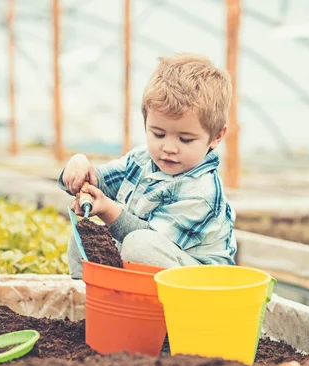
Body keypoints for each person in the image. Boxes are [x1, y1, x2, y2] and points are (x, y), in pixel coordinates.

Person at [59, 53, 237, 279]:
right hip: (149, 272)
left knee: (139, 244)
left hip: (199, 287)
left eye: (185, 139)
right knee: (84, 234)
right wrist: (79, 167)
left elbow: (149, 242)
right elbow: (99, 181)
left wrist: (107, 210)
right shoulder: (142, 159)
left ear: (216, 136)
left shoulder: (202, 193)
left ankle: (142, 309)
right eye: (158, 134)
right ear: (146, 124)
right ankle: (93, 301)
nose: (169, 148)